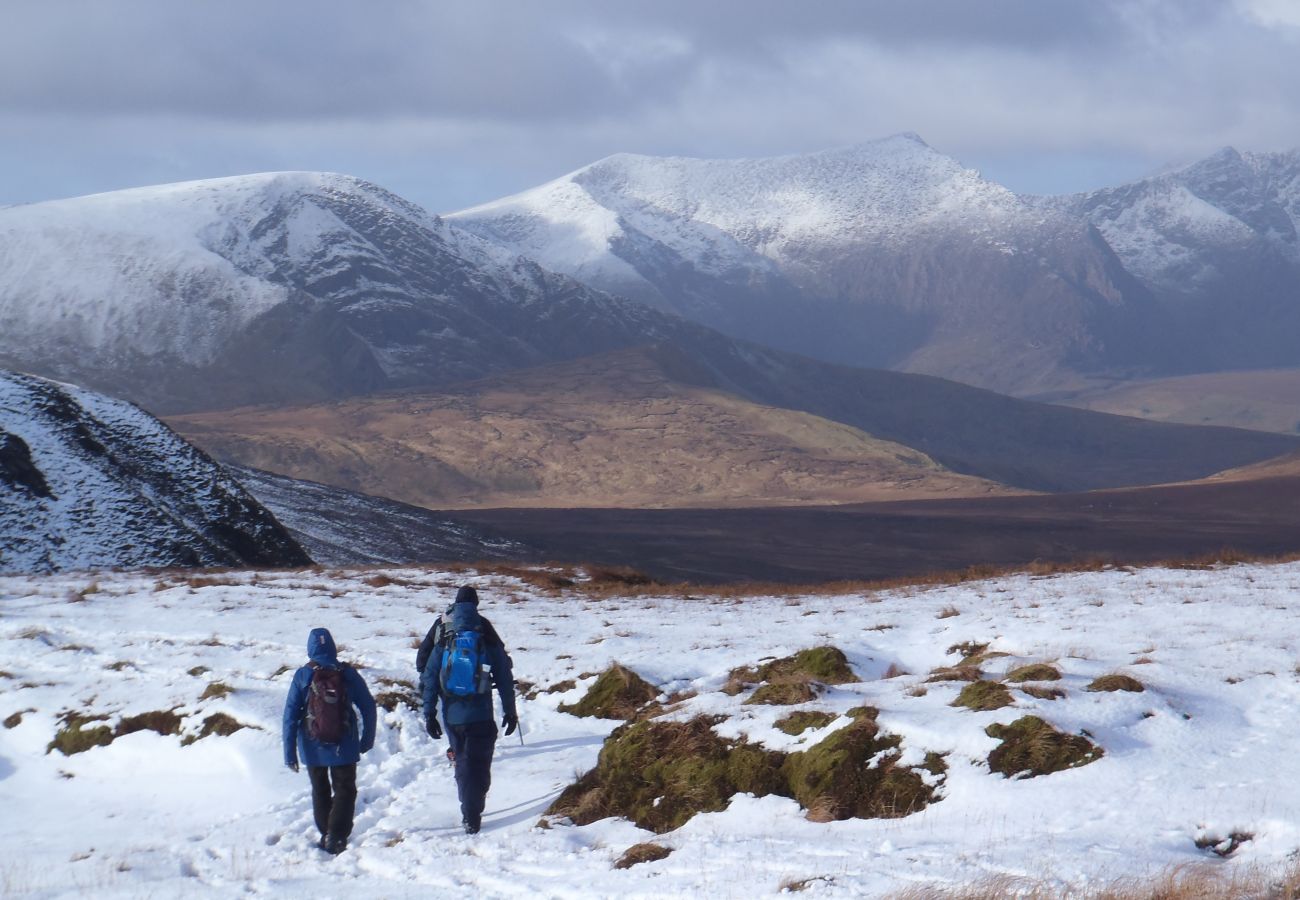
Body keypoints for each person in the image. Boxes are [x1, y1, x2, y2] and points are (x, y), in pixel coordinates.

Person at [420, 585, 518, 834]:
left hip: (452, 710)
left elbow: (427, 670)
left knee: (463, 759)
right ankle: (473, 811)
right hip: (481, 710)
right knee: (480, 762)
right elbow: (504, 674)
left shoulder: (443, 629)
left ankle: (469, 807)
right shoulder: (483, 628)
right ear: (476, 604)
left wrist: (429, 712)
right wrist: (510, 711)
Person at [282, 627, 377, 854]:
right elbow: (368, 707)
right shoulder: (347, 673)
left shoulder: (303, 675)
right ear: (333, 646)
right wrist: (366, 740)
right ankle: (337, 836)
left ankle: (327, 833)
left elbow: (290, 715)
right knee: (345, 789)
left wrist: (289, 752)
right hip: (343, 745)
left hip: (311, 746)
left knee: (320, 789)